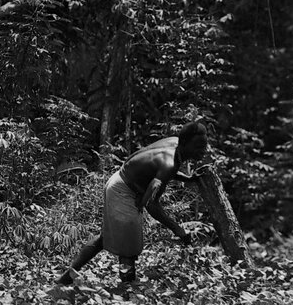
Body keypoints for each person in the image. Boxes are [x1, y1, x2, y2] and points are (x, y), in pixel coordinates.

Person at [56, 121, 209, 287]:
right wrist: (178, 230)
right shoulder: (169, 164)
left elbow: (160, 171)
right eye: (198, 147)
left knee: (106, 237)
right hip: (123, 190)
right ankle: (127, 290)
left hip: (119, 181)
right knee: (128, 246)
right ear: (184, 144)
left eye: (204, 146)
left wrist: (188, 178)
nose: (203, 151)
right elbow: (152, 205)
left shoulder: (174, 145)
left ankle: (66, 278)